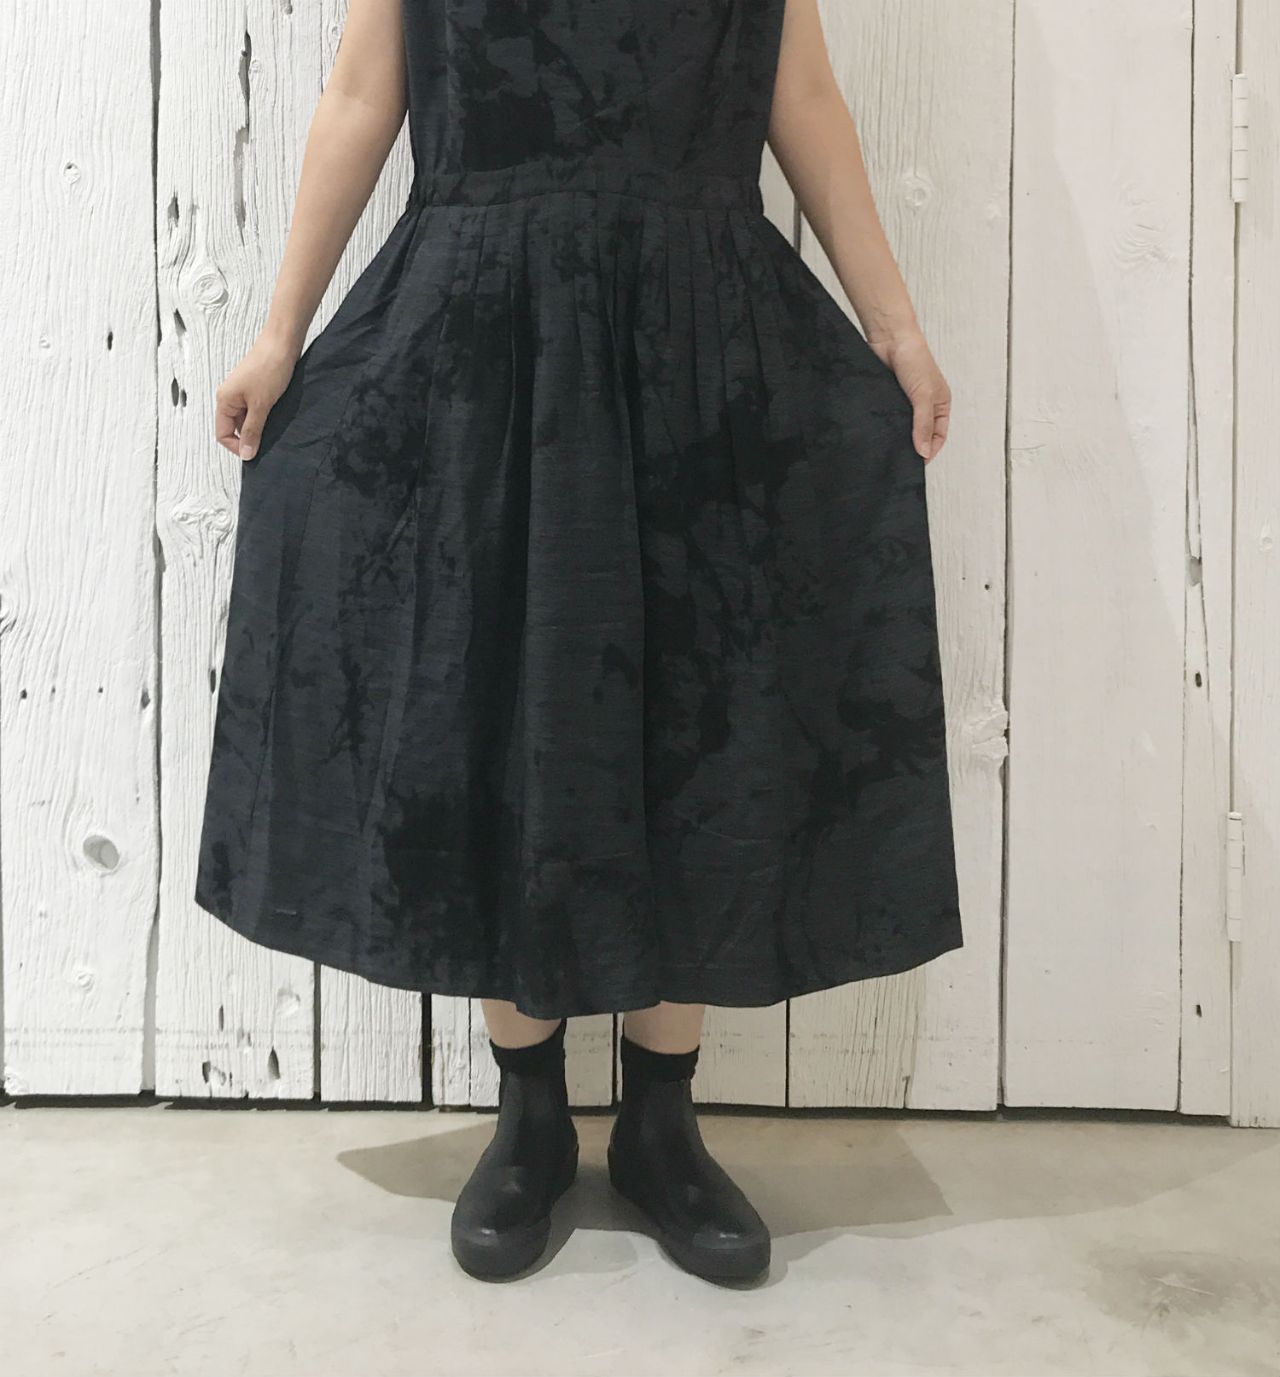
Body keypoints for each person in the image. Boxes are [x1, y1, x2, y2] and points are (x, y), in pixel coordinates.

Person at [195, 0, 963, 1284]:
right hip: (481, 332)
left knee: (698, 709)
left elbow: (801, 98)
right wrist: (279, 336)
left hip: (700, 334)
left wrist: (892, 328)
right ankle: (530, 1117)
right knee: (498, 704)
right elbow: (361, 96)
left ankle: (662, 1125)